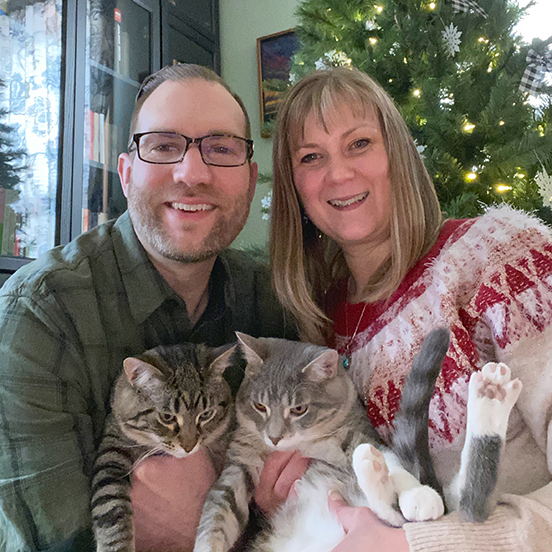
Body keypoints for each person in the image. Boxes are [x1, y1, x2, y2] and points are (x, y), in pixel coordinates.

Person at [0, 63, 303, 552]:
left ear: (248, 181)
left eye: (220, 149)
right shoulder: (37, 315)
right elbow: (56, 542)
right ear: (125, 172)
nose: (192, 173)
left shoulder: (272, 301)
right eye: (164, 146)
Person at [269, 65, 552, 551]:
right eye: (312, 157)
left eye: (359, 143)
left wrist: (419, 546)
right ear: (294, 188)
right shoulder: (319, 329)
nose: (339, 174)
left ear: (396, 152)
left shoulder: (500, 258)